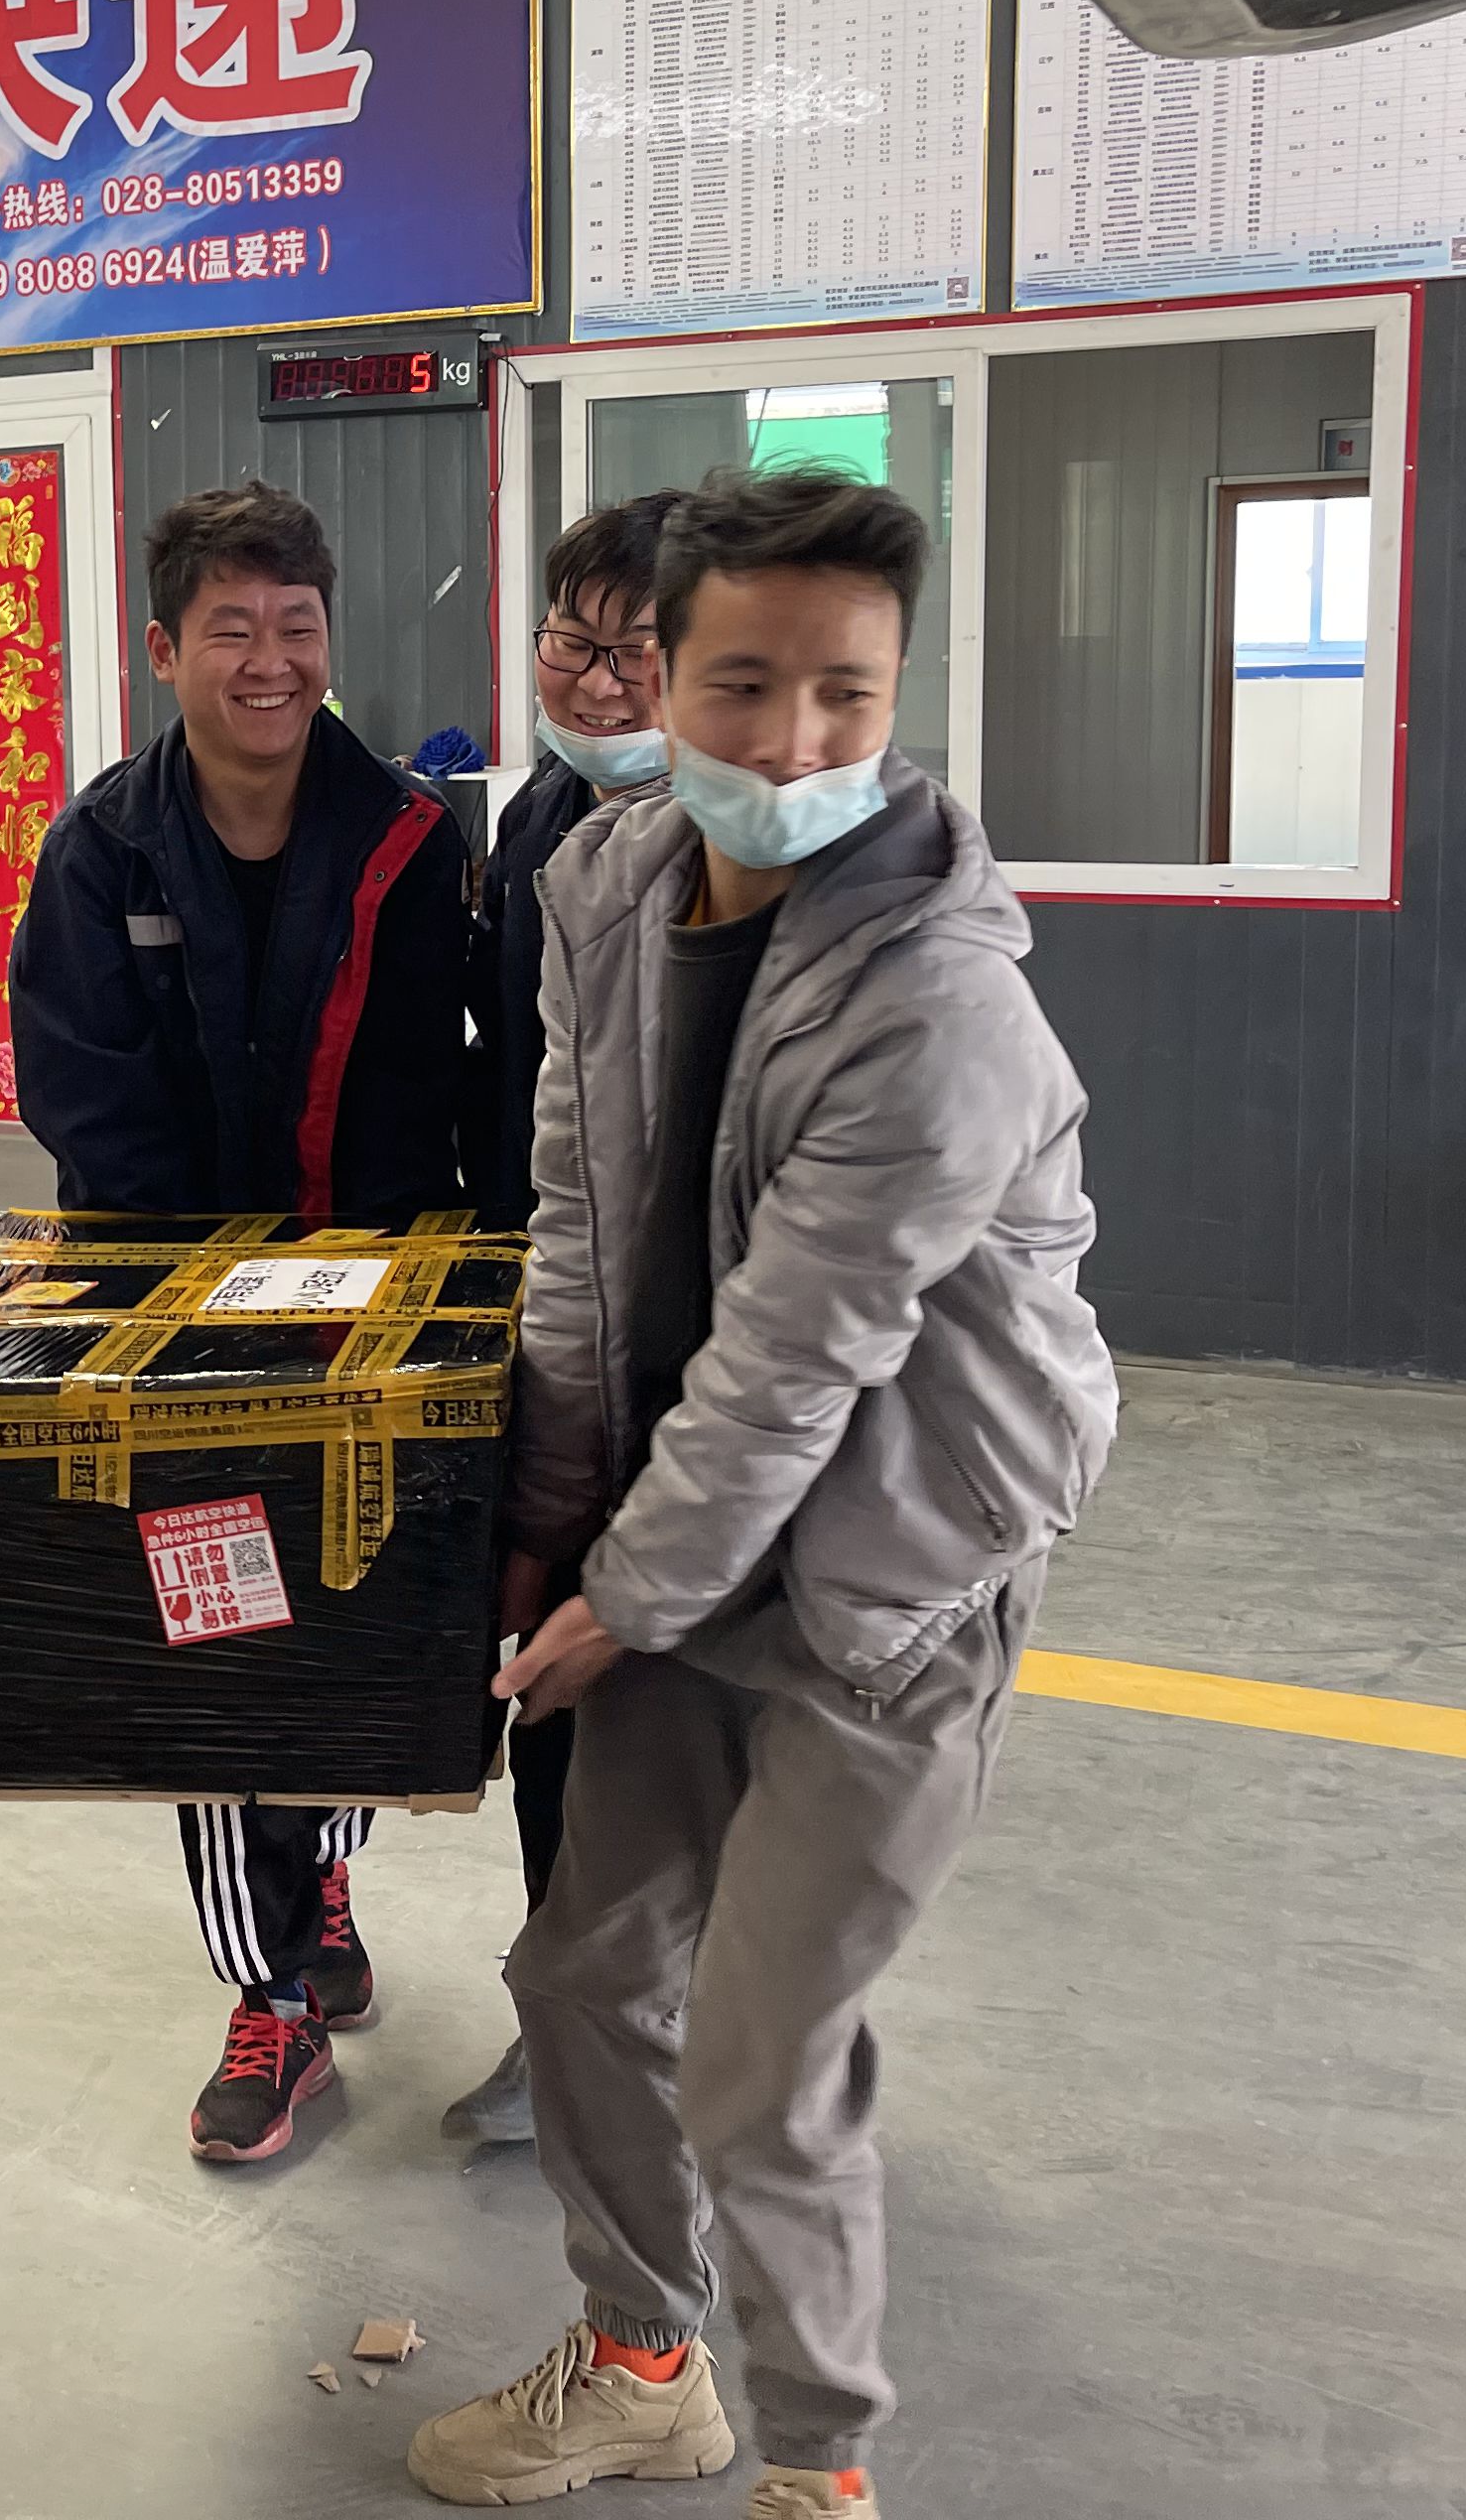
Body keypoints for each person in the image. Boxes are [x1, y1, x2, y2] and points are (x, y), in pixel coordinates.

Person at [401, 469, 1115, 2517]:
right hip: (680, 1530)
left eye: (843, 693)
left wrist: (613, 1594)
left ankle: (821, 2465)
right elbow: (574, 1231)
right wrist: (547, 1520)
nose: (791, 742)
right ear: (662, 670)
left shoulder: (941, 999)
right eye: (740, 684)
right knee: (582, 1976)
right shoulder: (606, 886)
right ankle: (645, 2365)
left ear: (895, 695)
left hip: (893, 1571)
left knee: (759, 2063)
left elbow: (799, 1357)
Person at [5, 477, 468, 2166]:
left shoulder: (410, 837)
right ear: (162, 648)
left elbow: (425, 1090)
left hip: (366, 1327)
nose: (269, 661)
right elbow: (83, 1095)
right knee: (215, 1651)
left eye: (297, 626)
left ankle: (320, 1864)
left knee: (346, 1628)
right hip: (175, 1338)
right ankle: (268, 1992)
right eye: (231, 630)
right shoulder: (101, 847)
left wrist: (383, 1298)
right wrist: (203, 1309)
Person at [441, 490, 676, 2156]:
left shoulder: (751, 848)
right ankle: (571, 2030)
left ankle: (687, 2059)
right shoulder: (533, 818)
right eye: (569, 644)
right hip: (554, 1318)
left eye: (636, 653)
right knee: (555, 1702)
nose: (597, 684)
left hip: (694, 1358)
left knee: (685, 1716)